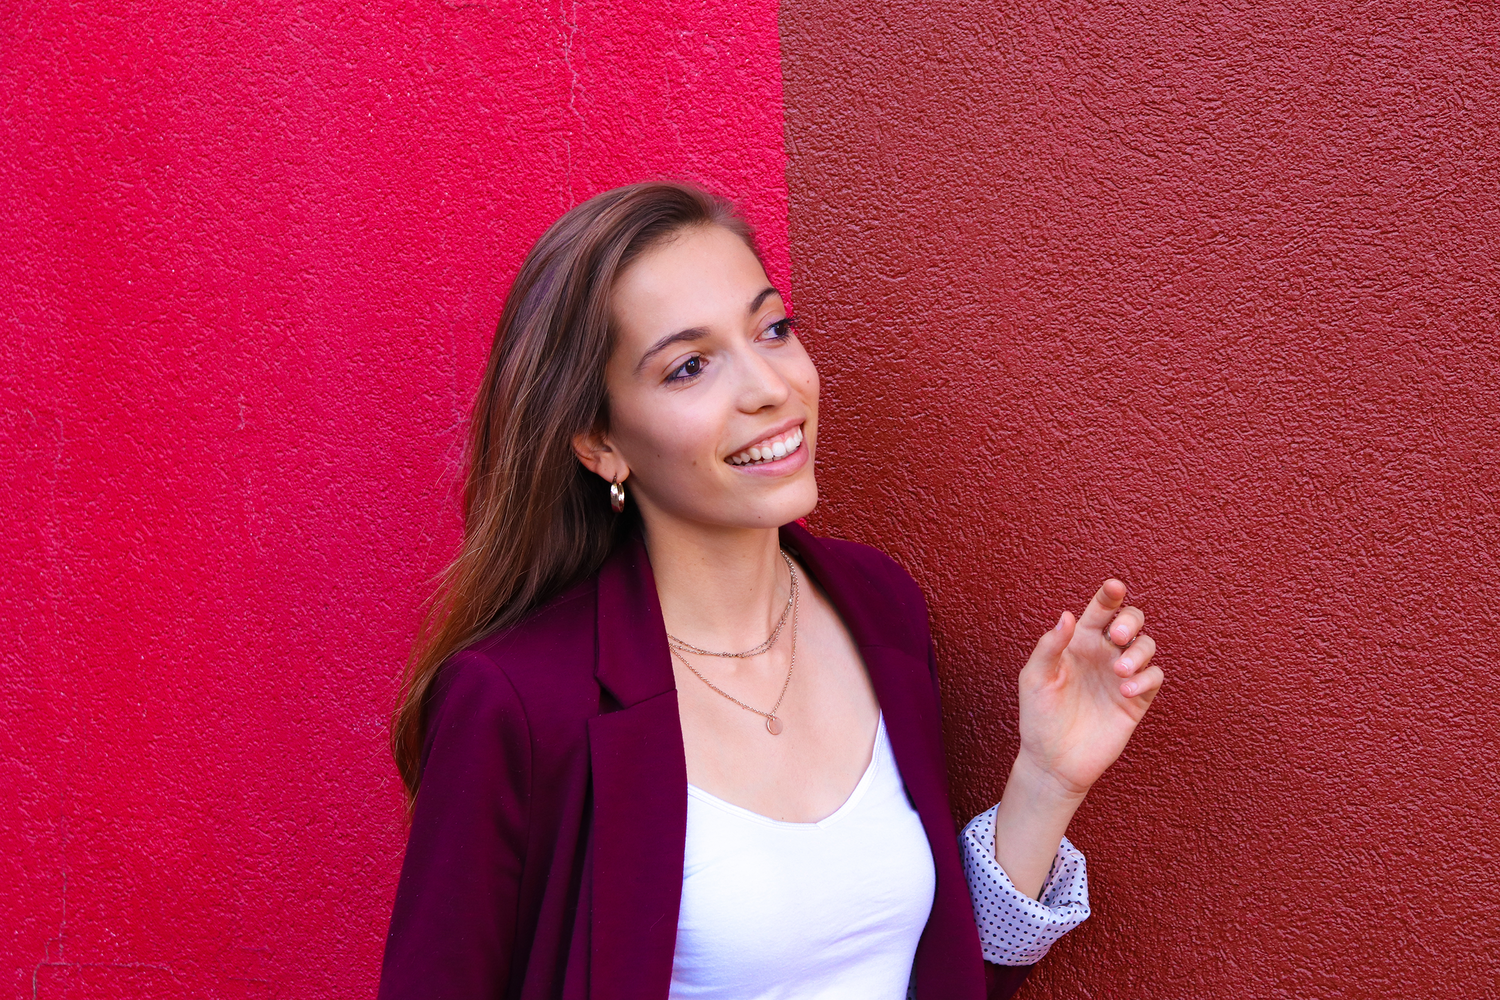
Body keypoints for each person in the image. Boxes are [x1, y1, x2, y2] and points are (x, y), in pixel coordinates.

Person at [377, 182, 1163, 1000]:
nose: (767, 387)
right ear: (600, 443)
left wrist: (1046, 783)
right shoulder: (518, 700)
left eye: (772, 329)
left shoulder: (877, 607)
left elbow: (937, 971)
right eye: (689, 367)